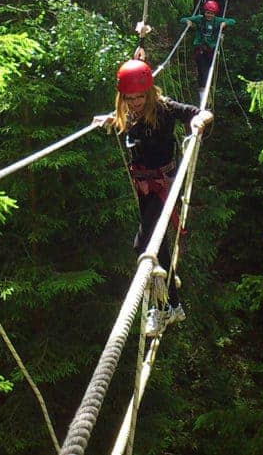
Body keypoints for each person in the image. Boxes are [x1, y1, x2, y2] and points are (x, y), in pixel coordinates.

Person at [92, 54, 214, 336]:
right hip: (145, 187)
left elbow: (199, 112)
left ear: (149, 92)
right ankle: (172, 305)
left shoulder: (164, 107)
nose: (134, 102)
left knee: (145, 246)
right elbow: (133, 129)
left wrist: (199, 122)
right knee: (154, 245)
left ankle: (164, 307)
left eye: (139, 97)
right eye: (129, 98)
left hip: (163, 185)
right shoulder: (130, 113)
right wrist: (112, 120)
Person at [180, 0, 235, 96]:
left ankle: (205, 91)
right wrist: (188, 21)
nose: (209, 15)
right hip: (200, 48)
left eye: (211, 13)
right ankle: (203, 92)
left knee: (209, 69)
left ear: (215, 14)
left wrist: (224, 24)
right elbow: (182, 19)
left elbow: (232, 21)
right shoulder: (200, 19)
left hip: (211, 49)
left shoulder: (217, 20)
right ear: (204, 12)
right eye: (207, 13)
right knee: (202, 69)